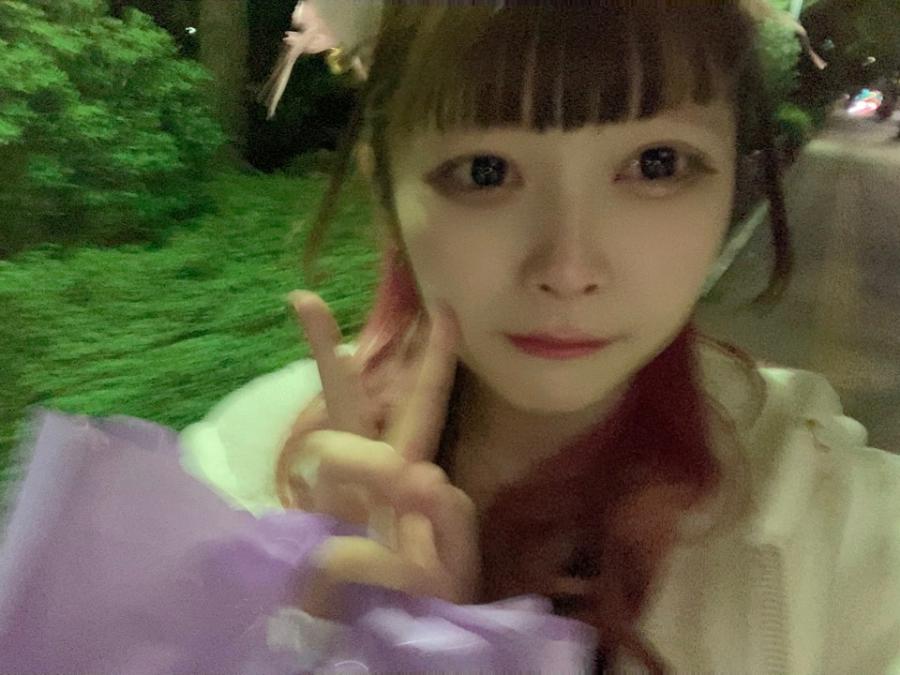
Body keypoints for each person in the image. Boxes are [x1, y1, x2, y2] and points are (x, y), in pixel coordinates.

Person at [0, 2, 895, 674]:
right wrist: (289, 634)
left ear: (732, 175)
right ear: (385, 188)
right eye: (485, 170)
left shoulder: (842, 535)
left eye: (657, 163)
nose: (569, 268)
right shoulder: (243, 476)